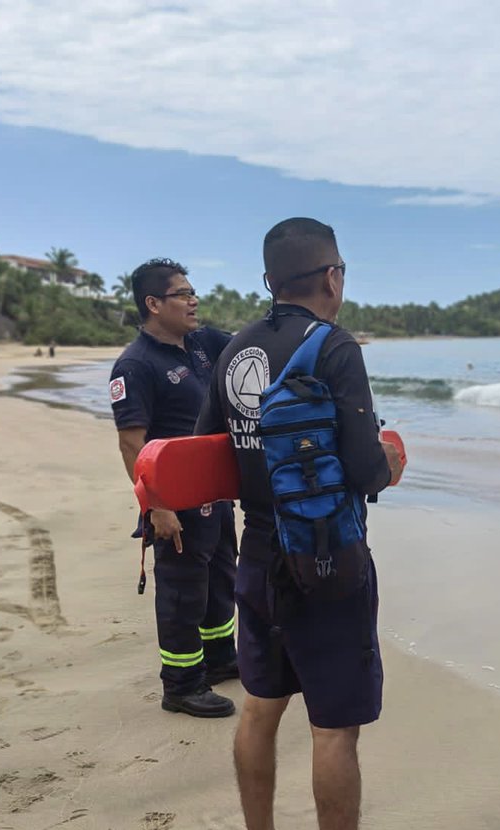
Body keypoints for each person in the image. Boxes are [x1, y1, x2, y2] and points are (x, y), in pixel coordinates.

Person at [194, 218, 403, 830]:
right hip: (327, 559)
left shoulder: (234, 349)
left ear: (269, 280)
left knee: (260, 707)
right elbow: (367, 471)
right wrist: (387, 459)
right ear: (332, 277)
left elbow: (210, 452)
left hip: (256, 555)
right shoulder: (335, 347)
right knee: (334, 730)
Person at [110, 258, 240, 719]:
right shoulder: (135, 365)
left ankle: (221, 659)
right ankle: (182, 685)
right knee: (183, 592)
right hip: (175, 503)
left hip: (215, 494)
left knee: (221, 579)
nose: (193, 300)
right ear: (153, 304)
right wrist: (158, 507)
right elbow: (131, 444)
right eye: (182, 294)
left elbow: (251, 347)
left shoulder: (203, 345)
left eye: (192, 292)